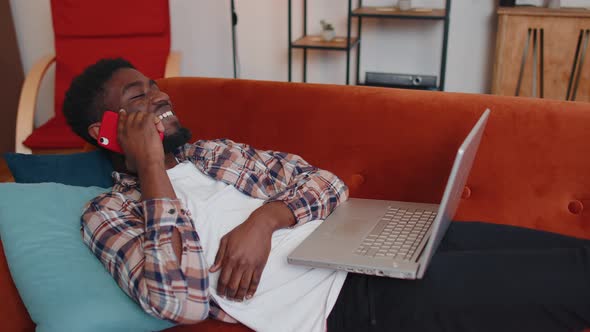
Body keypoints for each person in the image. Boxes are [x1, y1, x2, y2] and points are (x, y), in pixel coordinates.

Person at [64, 58, 590, 332]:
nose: (160, 96)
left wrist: (266, 220)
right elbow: (176, 301)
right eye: (139, 97)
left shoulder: (215, 155)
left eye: (155, 85)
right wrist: (151, 167)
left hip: (377, 244)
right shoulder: (108, 213)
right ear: (104, 131)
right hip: (352, 304)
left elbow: (326, 183)